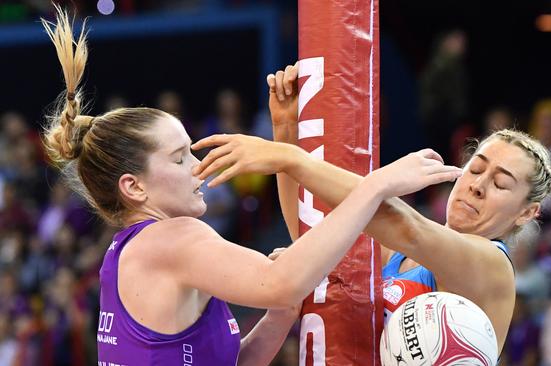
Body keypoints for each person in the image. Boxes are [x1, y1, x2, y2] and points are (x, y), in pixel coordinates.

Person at [40, 8, 462, 365]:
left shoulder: (129, 251)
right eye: (179, 157)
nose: (198, 166)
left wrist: (280, 316)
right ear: (134, 187)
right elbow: (283, 281)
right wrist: (376, 185)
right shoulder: (172, 237)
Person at [191, 63, 551, 353]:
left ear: (527, 212)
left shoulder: (492, 264)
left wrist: (291, 157)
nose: (477, 185)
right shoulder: (399, 256)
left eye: (500, 183)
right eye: (476, 169)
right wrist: (286, 131)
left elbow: (406, 226)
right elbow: (314, 237)